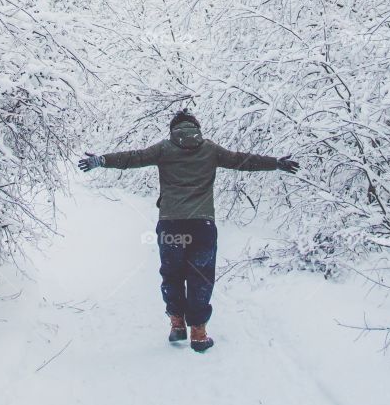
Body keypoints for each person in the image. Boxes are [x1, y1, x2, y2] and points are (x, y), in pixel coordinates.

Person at [78, 110, 299, 353]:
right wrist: (275, 163)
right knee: (201, 275)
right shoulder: (210, 149)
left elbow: (134, 158)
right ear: (197, 128)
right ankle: (199, 333)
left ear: (173, 129)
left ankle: (177, 324)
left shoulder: (164, 148)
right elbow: (242, 160)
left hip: (172, 225)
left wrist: (102, 160)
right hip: (202, 226)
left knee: (172, 273)